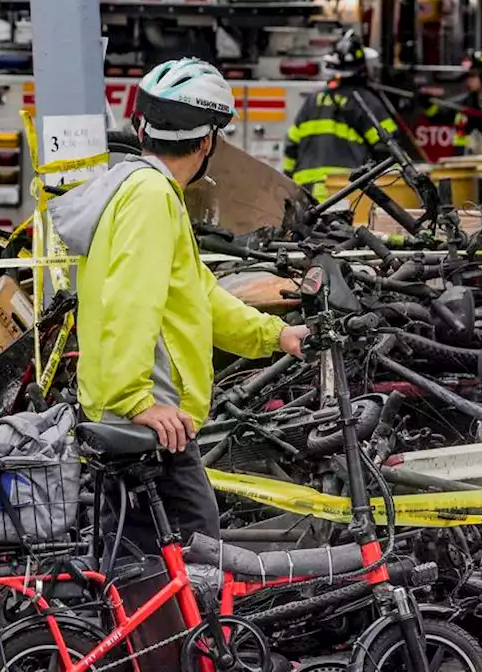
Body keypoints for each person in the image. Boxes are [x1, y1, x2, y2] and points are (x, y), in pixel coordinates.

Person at [50, 58, 310, 553]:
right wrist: (137, 400)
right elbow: (132, 301)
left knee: (139, 560)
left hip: (140, 416)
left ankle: (123, 630)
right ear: (208, 140)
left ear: (141, 126)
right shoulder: (150, 198)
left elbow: (199, 294)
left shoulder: (143, 189)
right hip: (149, 422)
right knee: (193, 555)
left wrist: (275, 335)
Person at [283, 30, 398, 201]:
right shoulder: (365, 101)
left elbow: (291, 145)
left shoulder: (313, 100)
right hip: (344, 191)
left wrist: (288, 180)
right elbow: (389, 147)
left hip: (305, 190)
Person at [423, 50, 482, 156]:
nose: (469, 81)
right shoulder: (464, 103)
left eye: (473, 76)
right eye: (468, 76)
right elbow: (439, 114)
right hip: (465, 158)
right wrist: (427, 104)